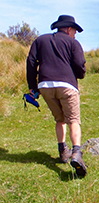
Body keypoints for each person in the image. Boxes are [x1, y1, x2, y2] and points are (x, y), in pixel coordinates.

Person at [26, 15, 88, 177]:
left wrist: (33, 86)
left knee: (59, 119)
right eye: (74, 30)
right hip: (67, 85)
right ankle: (76, 153)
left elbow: (31, 62)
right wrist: (80, 74)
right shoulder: (73, 43)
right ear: (68, 28)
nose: (75, 34)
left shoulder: (40, 40)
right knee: (73, 120)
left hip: (45, 86)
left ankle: (63, 151)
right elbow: (80, 64)